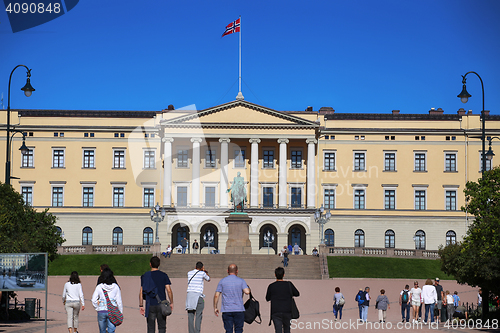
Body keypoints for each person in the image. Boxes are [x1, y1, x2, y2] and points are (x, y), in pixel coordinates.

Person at [139, 256, 174, 333]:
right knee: (162, 328)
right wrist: (171, 302)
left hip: (150, 304)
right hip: (161, 304)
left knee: (150, 328)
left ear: (150, 264)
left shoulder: (145, 276)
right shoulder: (164, 275)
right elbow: (169, 290)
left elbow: (141, 291)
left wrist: (141, 305)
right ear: (159, 264)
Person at [213, 264, 250, 333]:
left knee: (228, 330)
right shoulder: (241, 281)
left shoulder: (222, 281)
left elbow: (216, 295)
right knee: (238, 329)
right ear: (237, 271)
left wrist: (215, 307)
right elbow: (247, 292)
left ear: (227, 271)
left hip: (227, 310)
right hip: (238, 309)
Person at [265, 267, 300, 333]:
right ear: (284, 275)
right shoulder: (289, 284)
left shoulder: (271, 286)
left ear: (275, 275)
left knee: (278, 330)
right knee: (287, 330)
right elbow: (297, 293)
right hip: (287, 311)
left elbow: (267, 298)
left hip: (276, 311)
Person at [92, 268, 123, 333]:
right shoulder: (115, 287)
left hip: (101, 311)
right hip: (112, 311)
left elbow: (93, 300)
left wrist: (97, 308)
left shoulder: (99, 286)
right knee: (111, 330)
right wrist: (120, 312)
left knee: (102, 331)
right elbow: (119, 301)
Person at [186, 261, 210, 333]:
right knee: (198, 315)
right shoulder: (202, 273)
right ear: (202, 267)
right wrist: (204, 271)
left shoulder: (189, 273)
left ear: (195, 267)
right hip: (198, 295)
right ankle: (197, 331)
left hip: (189, 295)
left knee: (190, 316)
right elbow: (208, 279)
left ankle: (191, 331)